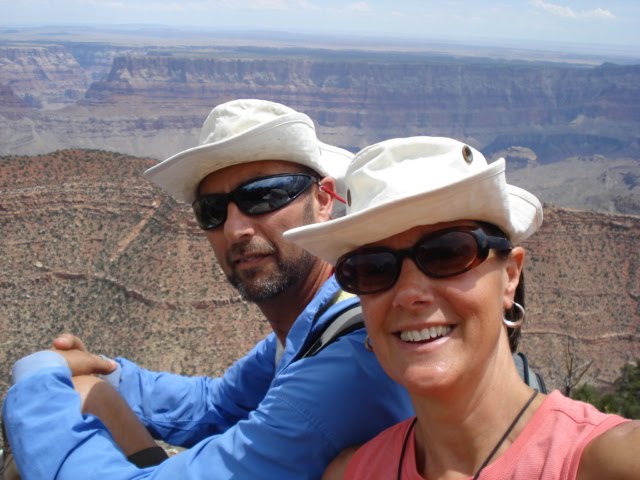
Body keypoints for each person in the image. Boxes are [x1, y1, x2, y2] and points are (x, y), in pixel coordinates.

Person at [1, 99, 414, 479]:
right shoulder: (313, 323)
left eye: (263, 196)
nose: (234, 229)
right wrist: (106, 371)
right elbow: (215, 404)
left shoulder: (347, 364)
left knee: (40, 439)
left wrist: (35, 386)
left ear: (323, 200)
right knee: (87, 391)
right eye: (212, 210)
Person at [284, 136, 640, 479]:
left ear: (510, 276)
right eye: (373, 268)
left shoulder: (609, 463)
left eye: (448, 253)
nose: (409, 294)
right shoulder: (352, 474)